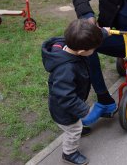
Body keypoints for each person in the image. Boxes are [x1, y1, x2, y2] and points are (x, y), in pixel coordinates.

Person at [41, 19, 108, 165]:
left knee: (75, 123)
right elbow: (65, 96)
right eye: (93, 49)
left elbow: (90, 36)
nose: (94, 51)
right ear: (82, 52)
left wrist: (104, 32)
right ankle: (69, 154)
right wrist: (83, 110)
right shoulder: (65, 69)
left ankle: (76, 125)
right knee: (73, 130)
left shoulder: (69, 43)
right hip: (63, 109)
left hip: (69, 105)